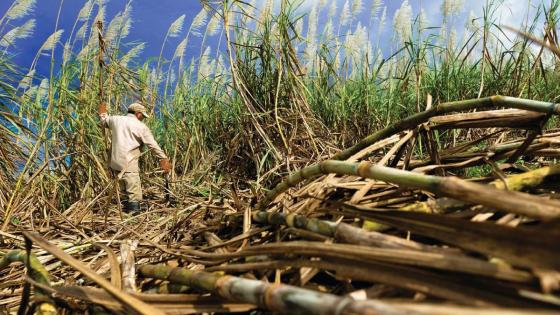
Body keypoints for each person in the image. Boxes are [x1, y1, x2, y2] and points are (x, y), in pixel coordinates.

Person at [98, 102, 171, 212]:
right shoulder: (141, 126)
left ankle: (125, 212)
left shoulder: (115, 120)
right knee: (133, 193)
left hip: (115, 163)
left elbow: (104, 121)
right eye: (142, 116)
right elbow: (153, 145)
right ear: (138, 114)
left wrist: (102, 111)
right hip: (129, 164)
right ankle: (133, 216)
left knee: (124, 190)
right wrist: (163, 158)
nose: (143, 118)